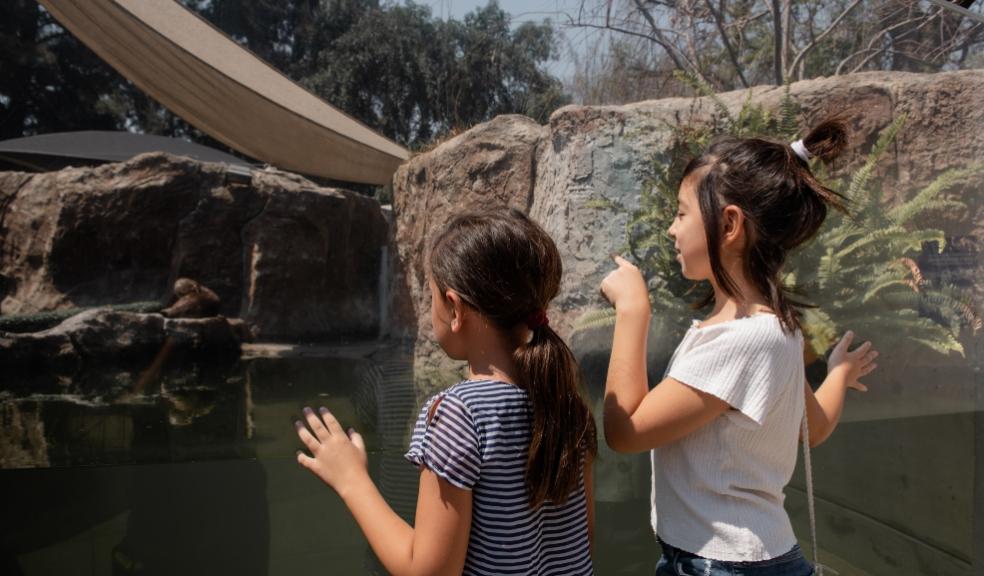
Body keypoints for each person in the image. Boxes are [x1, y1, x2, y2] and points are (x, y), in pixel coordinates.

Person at [599, 118, 879, 575]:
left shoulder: (742, 341)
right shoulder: (777, 331)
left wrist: (633, 310)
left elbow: (625, 431)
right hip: (750, 558)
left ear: (729, 224)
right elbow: (812, 428)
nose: (671, 229)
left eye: (682, 213)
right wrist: (839, 375)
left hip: (721, 564)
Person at [295, 208, 597, 575]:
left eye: (431, 296)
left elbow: (429, 572)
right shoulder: (569, 404)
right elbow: (580, 541)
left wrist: (351, 479)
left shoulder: (458, 414)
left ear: (454, 308)